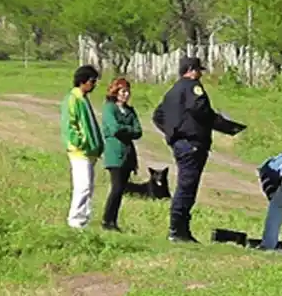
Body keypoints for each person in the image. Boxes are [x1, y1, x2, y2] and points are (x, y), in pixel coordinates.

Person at [152, 56, 217, 243]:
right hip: (192, 145)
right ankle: (177, 230)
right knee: (187, 187)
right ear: (191, 70)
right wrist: (219, 122)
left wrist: (172, 134)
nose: (200, 75)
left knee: (185, 185)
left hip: (181, 144)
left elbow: (158, 116)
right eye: (198, 70)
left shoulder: (172, 91)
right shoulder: (192, 87)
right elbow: (201, 109)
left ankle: (182, 229)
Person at [60, 65, 104, 229]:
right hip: (79, 152)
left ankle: (83, 220)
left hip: (89, 152)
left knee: (89, 188)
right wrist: (80, 142)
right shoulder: (73, 99)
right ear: (83, 81)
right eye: (92, 81)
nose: (94, 85)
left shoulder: (83, 98)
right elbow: (70, 125)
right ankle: (75, 221)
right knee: (82, 186)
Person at [100, 77, 142, 232]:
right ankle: (107, 220)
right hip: (114, 154)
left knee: (122, 188)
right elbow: (114, 128)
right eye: (123, 91)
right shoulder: (109, 108)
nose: (126, 95)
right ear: (115, 92)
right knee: (116, 187)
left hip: (128, 154)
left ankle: (113, 221)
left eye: (128, 92)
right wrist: (127, 130)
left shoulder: (130, 111)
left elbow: (138, 131)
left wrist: (126, 130)